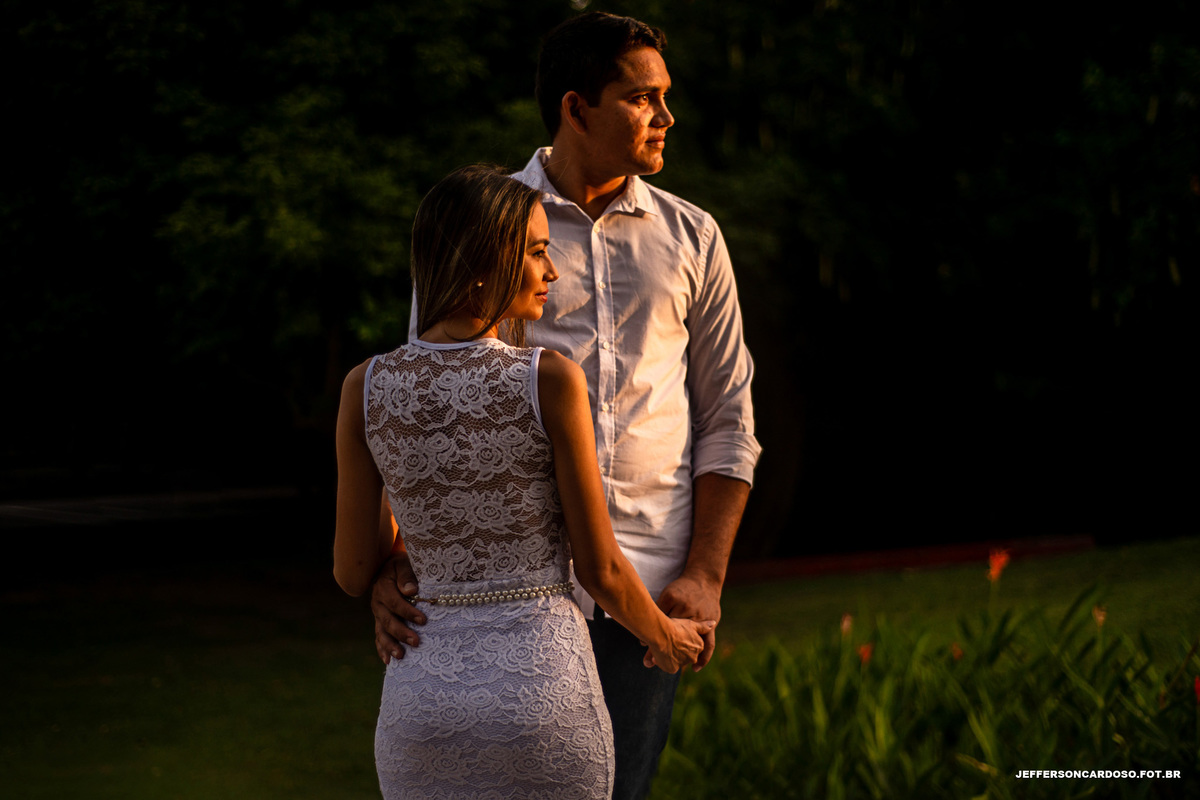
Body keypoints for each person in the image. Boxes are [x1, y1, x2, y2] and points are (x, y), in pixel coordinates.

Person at [371, 13, 762, 799]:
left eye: (664, 97)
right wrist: (393, 560)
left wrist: (706, 577)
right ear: (576, 107)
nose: (664, 117)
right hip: (515, 600)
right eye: (641, 98)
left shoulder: (694, 237)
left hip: (648, 592)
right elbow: (426, 402)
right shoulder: (484, 226)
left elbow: (729, 419)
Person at [334, 164, 713, 799]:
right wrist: (666, 636)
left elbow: (352, 570)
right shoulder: (550, 381)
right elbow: (602, 571)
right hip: (542, 694)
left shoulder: (364, 388)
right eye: (538, 251)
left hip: (423, 703)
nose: (552, 271)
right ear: (484, 263)